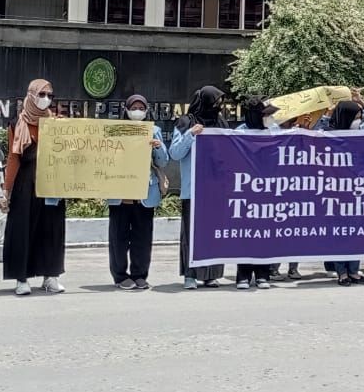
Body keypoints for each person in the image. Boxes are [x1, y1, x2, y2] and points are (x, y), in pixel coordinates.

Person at [2, 79, 66, 295]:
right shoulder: (17, 124)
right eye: (42, 94)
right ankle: (22, 278)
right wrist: (6, 191)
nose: (46, 99)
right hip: (25, 185)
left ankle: (50, 277)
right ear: (31, 95)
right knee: (22, 230)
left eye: (49, 95)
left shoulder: (57, 123)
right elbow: (13, 158)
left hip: (53, 183)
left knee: (51, 230)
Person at [169, 85, 229, 290]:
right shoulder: (185, 122)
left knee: (213, 234)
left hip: (216, 190)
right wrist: (191, 135)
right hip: (193, 191)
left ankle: (211, 275)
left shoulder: (221, 122)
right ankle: (190, 275)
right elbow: (175, 153)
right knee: (191, 235)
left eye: (220, 102)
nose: (217, 106)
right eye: (214, 101)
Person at [105, 94, 166, 290]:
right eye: (134, 107)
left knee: (142, 238)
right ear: (127, 109)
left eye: (141, 107)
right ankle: (121, 276)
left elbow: (163, 161)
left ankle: (140, 274)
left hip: (144, 194)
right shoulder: (115, 131)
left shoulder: (154, 130)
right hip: (120, 193)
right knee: (118, 238)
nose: (137, 111)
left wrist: (158, 147)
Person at [323, 99, 364, 286]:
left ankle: (354, 271)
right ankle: (341, 272)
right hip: (336, 191)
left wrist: (363, 103)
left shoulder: (359, 133)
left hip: (357, 190)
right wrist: (327, 114)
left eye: (360, 116)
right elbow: (314, 132)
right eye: (355, 117)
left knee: (356, 233)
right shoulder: (330, 134)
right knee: (340, 233)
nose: (359, 120)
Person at [234, 96, 282, 290]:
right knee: (246, 234)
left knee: (264, 235)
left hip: (268, 191)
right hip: (245, 190)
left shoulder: (274, 132)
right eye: (265, 115)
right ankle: (243, 275)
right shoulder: (238, 133)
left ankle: (263, 274)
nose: (269, 118)